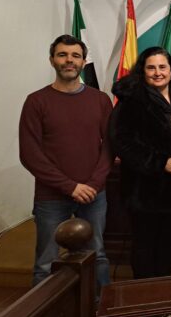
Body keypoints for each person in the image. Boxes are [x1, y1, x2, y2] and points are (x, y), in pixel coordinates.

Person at [19, 34, 113, 298]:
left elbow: (109, 148)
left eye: (75, 55)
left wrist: (93, 185)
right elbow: (30, 154)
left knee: (98, 255)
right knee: (46, 262)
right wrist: (71, 186)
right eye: (62, 55)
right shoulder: (36, 101)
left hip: (94, 196)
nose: (69, 60)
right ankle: (43, 315)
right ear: (52, 60)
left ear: (83, 61)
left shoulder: (100, 100)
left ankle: (102, 311)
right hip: (51, 197)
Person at [110, 46, 171, 317]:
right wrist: (159, 162)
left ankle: (162, 300)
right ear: (142, 71)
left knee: (167, 248)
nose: (158, 73)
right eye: (151, 68)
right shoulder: (132, 100)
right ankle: (147, 306)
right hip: (145, 191)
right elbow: (122, 141)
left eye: (162, 67)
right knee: (145, 249)